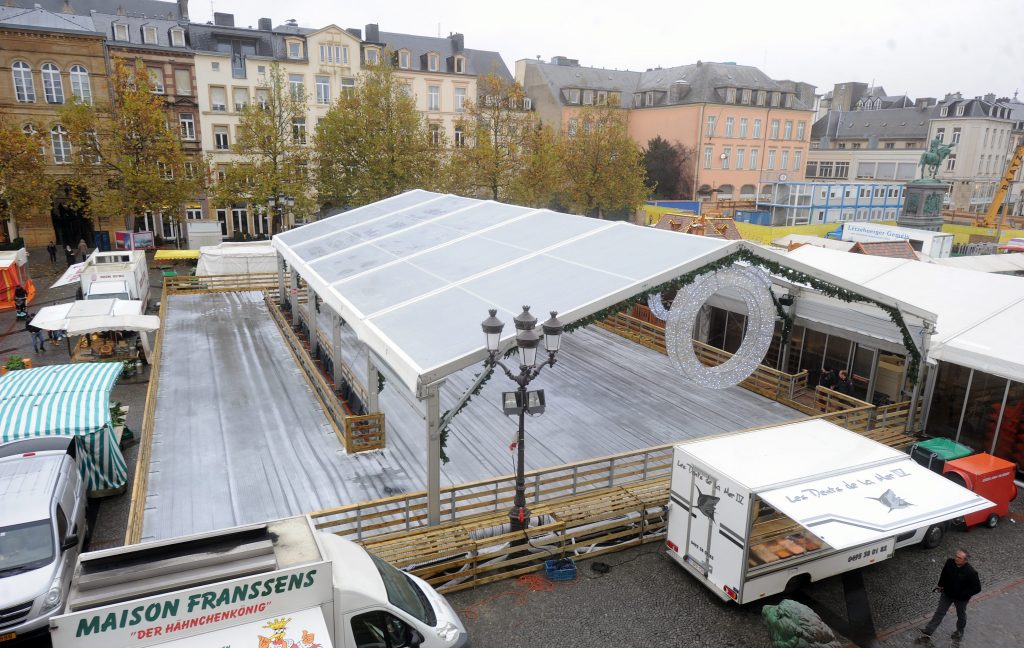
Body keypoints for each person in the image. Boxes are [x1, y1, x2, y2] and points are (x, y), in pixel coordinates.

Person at [921, 548, 981, 640]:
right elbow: (944, 574)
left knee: (961, 615)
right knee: (939, 612)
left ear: (965, 560)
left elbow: (977, 588)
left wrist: (963, 595)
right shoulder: (950, 562)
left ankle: (959, 631)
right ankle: (928, 631)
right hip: (947, 594)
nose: (956, 558)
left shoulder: (971, 572)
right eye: (956, 556)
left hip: (961, 599)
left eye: (959, 558)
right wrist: (940, 585)